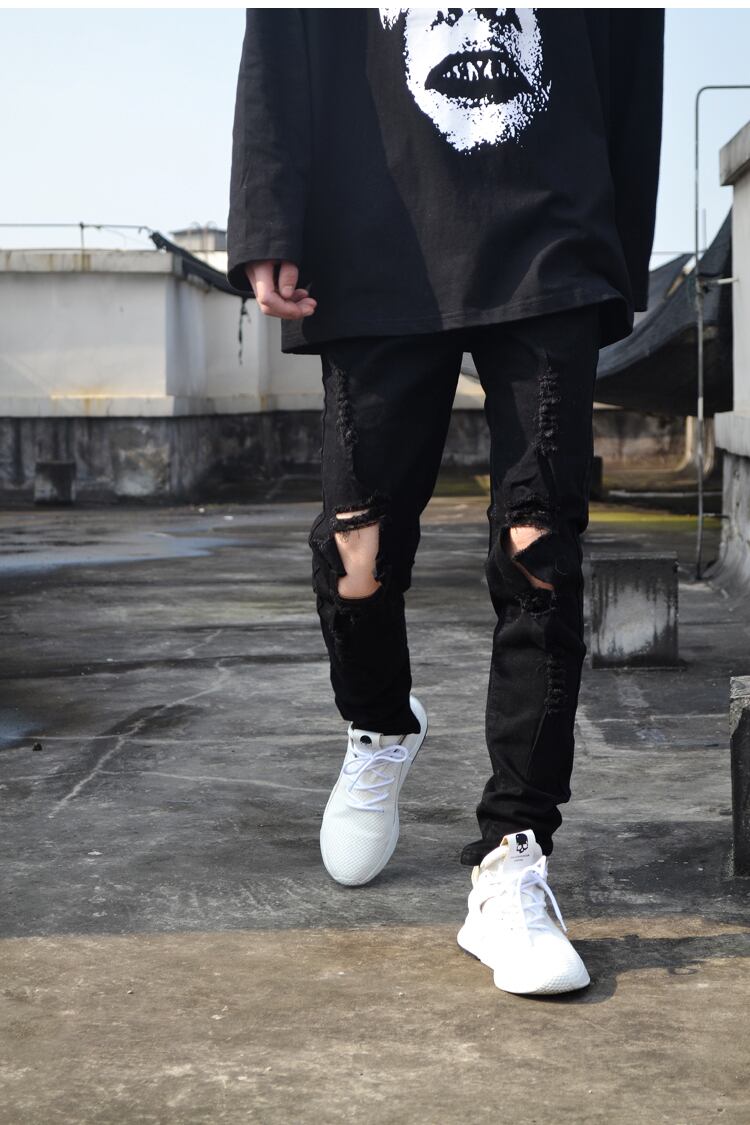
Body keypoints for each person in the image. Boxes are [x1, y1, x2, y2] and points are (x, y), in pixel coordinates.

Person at [227, 7, 664, 996]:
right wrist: (267, 214)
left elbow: (636, 34)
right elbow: (280, 27)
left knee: (539, 547)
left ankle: (514, 853)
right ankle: (381, 724)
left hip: (550, 210)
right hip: (370, 208)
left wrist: (616, 240)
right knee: (358, 547)